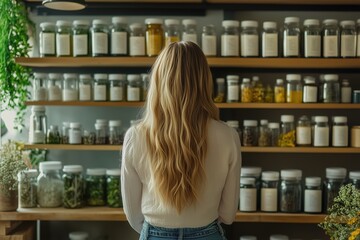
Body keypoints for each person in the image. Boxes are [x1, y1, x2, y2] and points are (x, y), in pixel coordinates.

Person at [121, 41, 241, 240]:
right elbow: (228, 214)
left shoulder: (135, 136)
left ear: (159, 80)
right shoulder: (228, 135)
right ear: (204, 80)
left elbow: (133, 216)